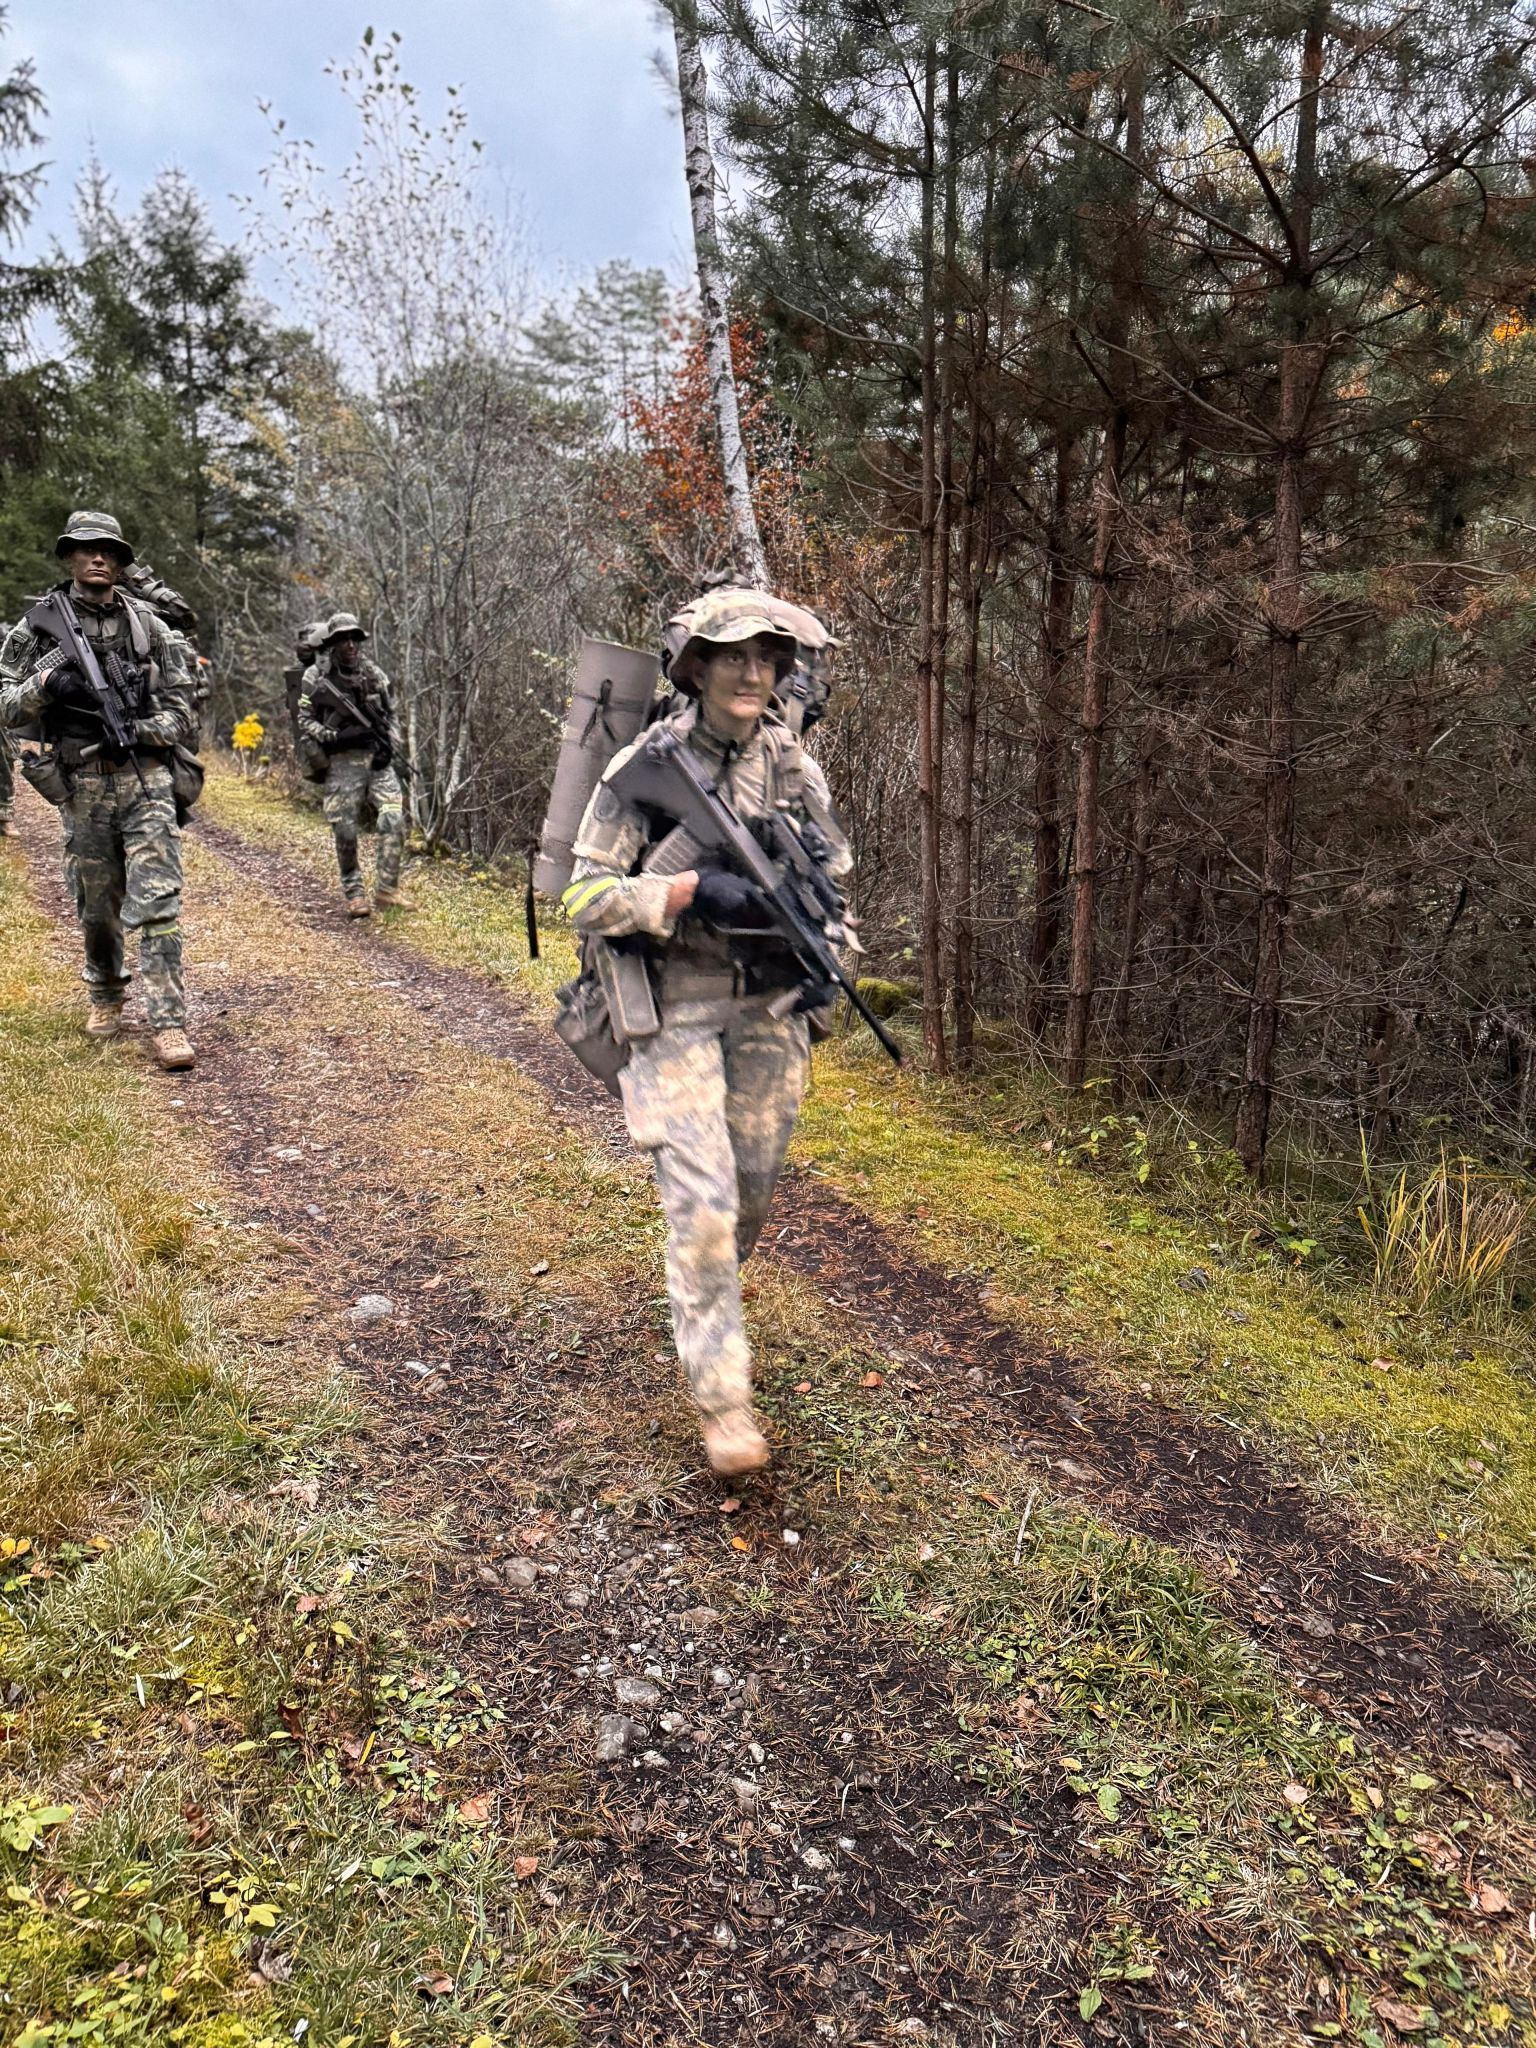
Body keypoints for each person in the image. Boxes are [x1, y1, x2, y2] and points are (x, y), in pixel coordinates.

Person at [562, 587, 854, 1477]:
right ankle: (724, 1400)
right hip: (674, 1003)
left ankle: (704, 1291)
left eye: (769, 658)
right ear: (697, 667)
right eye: (735, 657)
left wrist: (831, 957)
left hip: (766, 1005)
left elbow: (834, 875)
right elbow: (579, 897)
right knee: (704, 1205)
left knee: (752, 1191)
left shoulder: (794, 767)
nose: (754, 672)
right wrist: (683, 893)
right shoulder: (642, 770)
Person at [0, 510, 197, 1070]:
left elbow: (183, 708)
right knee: (97, 908)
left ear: (120, 560)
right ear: (68, 556)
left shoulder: (149, 627)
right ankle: (107, 995)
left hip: (146, 778)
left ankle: (167, 1022)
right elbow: (4, 703)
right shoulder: (35, 629)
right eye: (86, 549)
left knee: (158, 901)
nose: (97, 558)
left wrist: (140, 729)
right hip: (82, 784)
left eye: (108, 550)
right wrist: (45, 683)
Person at [296, 611, 411, 916]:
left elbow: (393, 714)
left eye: (354, 639)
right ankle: (354, 892)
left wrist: (391, 745)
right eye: (343, 639)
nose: (350, 645)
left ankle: (387, 890)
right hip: (342, 762)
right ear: (332, 643)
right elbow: (304, 719)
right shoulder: (315, 677)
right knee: (345, 830)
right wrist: (334, 736)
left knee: (392, 818)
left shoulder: (375, 675)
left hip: (377, 759)